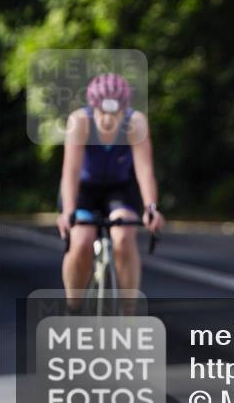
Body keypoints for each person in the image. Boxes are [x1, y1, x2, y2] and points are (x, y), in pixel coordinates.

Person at [56, 73, 165, 309]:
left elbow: (144, 171)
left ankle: (128, 314)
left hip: (120, 189)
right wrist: (69, 211)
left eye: (114, 113)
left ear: (124, 110)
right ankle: (73, 307)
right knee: (82, 241)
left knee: (124, 237)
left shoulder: (136, 123)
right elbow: (71, 172)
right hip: (84, 189)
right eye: (101, 112)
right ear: (92, 107)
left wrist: (151, 208)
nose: (107, 119)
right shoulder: (79, 122)